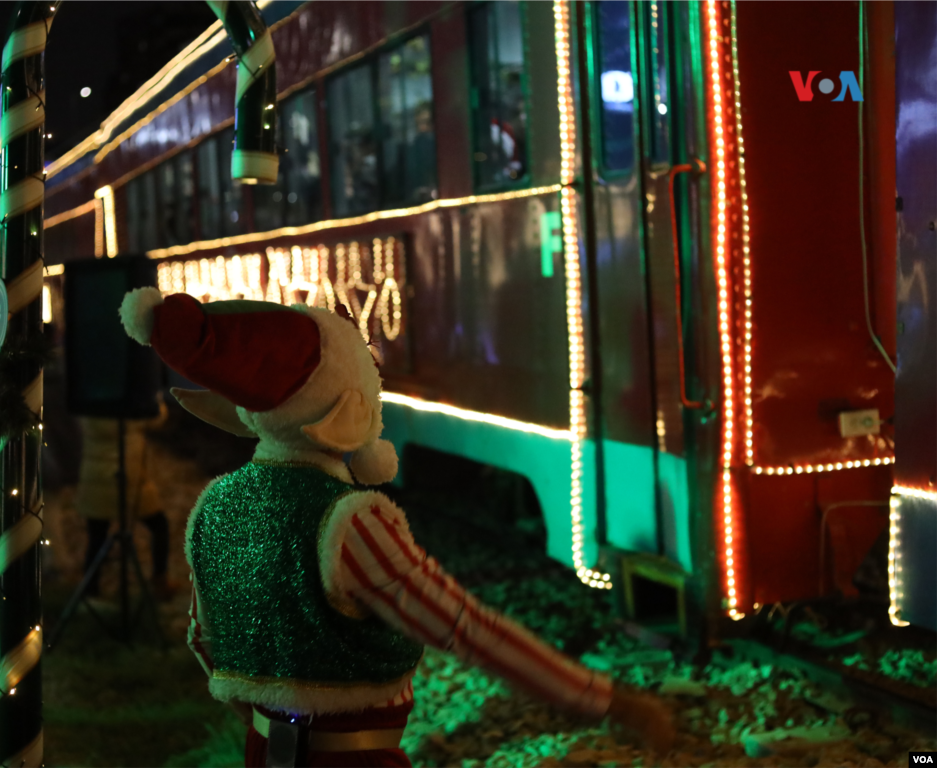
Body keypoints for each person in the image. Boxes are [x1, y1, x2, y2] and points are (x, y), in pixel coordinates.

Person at [119, 289, 675, 768]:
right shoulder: (352, 523)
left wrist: (269, 716)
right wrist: (604, 699)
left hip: (262, 752)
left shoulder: (215, 506)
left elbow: (206, 642)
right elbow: (466, 628)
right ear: (346, 405)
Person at [77, 409, 180, 602]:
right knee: (159, 525)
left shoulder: (88, 397)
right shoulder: (131, 403)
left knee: (97, 535)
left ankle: (90, 591)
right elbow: (156, 417)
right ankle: (160, 581)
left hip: (95, 473)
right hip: (129, 474)